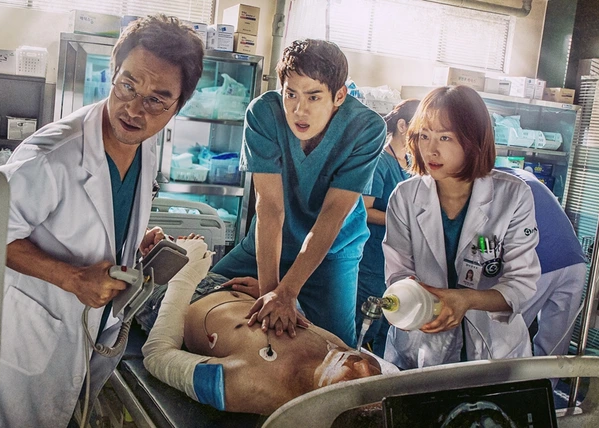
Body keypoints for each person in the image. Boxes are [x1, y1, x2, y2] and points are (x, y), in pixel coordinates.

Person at [0, 15, 204, 427]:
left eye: (156, 100)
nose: (134, 109)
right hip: (33, 336)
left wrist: (133, 240)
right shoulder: (50, 156)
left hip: (95, 332)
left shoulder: (144, 146)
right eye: (128, 86)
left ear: (178, 106)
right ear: (113, 73)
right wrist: (72, 278)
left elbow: (98, 216)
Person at [211, 39, 386, 347]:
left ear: (339, 96)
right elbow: (269, 207)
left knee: (336, 347)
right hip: (268, 244)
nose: (299, 110)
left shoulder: (366, 128)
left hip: (332, 252)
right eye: (290, 94)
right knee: (199, 295)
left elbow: (332, 215)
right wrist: (270, 291)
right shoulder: (264, 114)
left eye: (313, 97)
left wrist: (287, 292)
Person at [140, 236, 392, 415]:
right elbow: (299, 328)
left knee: (133, 252)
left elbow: (157, 355)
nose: (363, 364)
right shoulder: (353, 363)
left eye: (356, 381)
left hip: (168, 299)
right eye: (374, 374)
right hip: (225, 283)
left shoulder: (246, 384)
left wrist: (186, 274)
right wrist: (275, 296)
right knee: (155, 240)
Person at [382, 85, 541, 370]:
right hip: (423, 341)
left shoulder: (513, 195)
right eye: (424, 136)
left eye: (445, 137)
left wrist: (467, 299)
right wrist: (417, 302)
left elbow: (521, 283)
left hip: (493, 348)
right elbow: (398, 272)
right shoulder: (405, 196)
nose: (431, 149)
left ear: (473, 141)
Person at [496, 166, 587, 357]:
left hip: (540, 265)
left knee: (504, 339)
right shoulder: (520, 175)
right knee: (555, 349)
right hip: (574, 261)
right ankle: (548, 378)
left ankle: (505, 377)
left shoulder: (496, 184)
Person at [356, 99, 419, 357]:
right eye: (421, 128)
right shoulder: (380, 162)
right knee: (365, 331)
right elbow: (364, 210)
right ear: (402, 126)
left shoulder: (410, 163)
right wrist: (404, 220)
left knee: (389, 332)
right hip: (372, 262)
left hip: (397, 264)